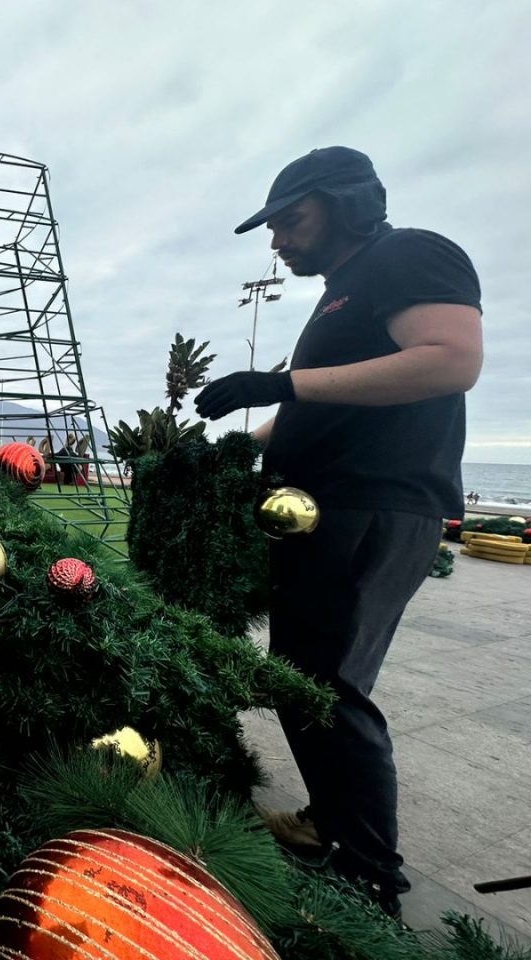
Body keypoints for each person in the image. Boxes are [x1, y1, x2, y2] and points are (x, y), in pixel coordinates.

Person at [195, 147, 483, 917]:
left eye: (290, 221)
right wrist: (235, 442)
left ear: (346, 203)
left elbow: (453, 360)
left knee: (327, 688)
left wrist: (280, 380)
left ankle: (368, 879)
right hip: (323, 513)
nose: (278, 242)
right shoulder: (340, 298)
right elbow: (310, 406)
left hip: (372, 509)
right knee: (308, 676)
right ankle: (331, 820)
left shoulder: (411, 254)